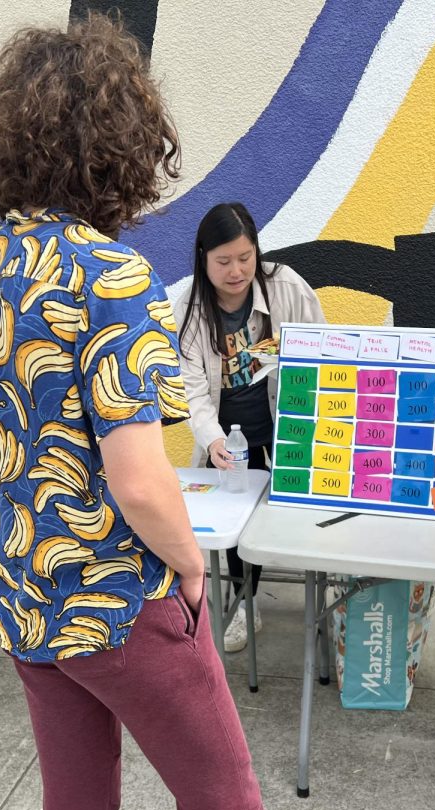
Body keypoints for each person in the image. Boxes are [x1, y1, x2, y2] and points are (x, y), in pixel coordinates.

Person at [0, 17, 264, 810]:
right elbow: (140, 482)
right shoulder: (110, 277)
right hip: (117, 602)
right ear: (124, 145)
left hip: (22, 595)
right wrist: (192, 566)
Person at [177, 202, 326, 651]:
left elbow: (321, 354)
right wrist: (213, 440)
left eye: (245, 257)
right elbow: (193, 391)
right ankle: (245, 601)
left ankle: (326, 601)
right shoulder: (188, 308)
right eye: (223, 261)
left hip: (288, 424)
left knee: (309, 510)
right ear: (203, 258)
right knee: (235, 523)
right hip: (231, 436)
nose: (237, 271)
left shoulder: (287, 286)